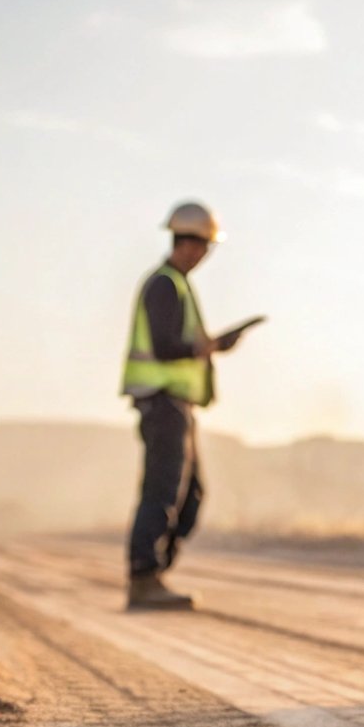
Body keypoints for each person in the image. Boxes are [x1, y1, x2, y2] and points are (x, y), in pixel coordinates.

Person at [120, 201, 245, 609]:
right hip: (162, 403)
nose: (203, 253)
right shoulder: (164, 285)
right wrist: (209, 346)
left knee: (190, 496)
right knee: (162, 491)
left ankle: (154, 570)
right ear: (188, 243)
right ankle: (144, 578)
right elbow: (165, 346)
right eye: (201, 244)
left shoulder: (179, 286)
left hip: (178, 405)